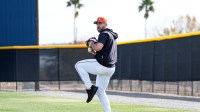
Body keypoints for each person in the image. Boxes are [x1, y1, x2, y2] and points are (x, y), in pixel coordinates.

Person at [75, 17, 118, 112]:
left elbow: (98, 47)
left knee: (78, 65)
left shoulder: (104, 34)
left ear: (105, 24)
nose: (98, 25)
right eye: (97, 23)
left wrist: (91, 43)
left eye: (100, 23)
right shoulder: (111, 35)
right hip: (110, 69)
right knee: (101, 92)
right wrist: (92, 49)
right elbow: (99, 51)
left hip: (102, 66)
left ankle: (89, 87)